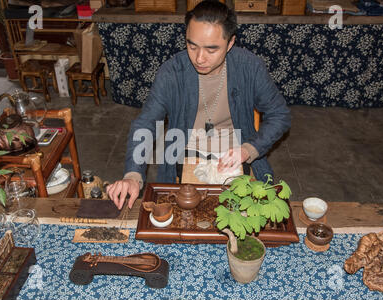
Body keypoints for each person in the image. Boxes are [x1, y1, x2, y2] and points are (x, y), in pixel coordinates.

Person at [107, 0, 290, 210]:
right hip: (186, 151)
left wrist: (248, 149)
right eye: (192, 46)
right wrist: (133, 175)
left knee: (246, 216)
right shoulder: (172, 72)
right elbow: (146, 123)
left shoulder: (249, 67)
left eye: (211, 50)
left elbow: (280, 115)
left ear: (230, 43)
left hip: (235, 152)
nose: (199, 58)